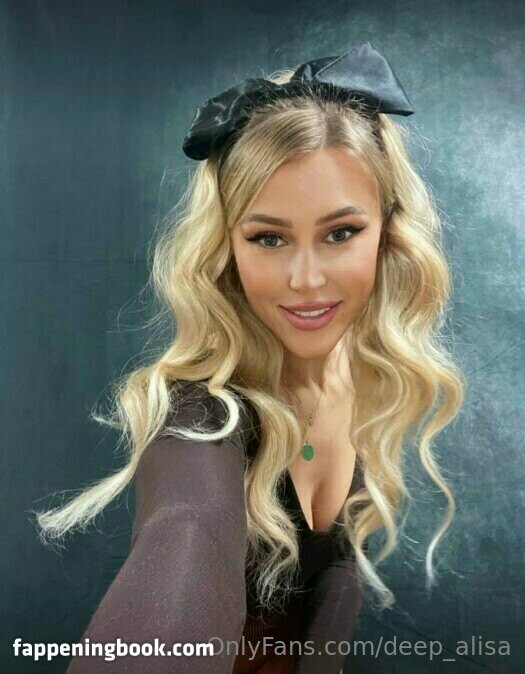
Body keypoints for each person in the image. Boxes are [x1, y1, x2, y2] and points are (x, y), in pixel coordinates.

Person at [33, 41, 465, 673]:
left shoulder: (362, 381)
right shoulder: (200, 427)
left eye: (341, 233)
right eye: (269, 238)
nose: (307, 280)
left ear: (388, 233)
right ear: (227, 248)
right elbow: (189, 530)